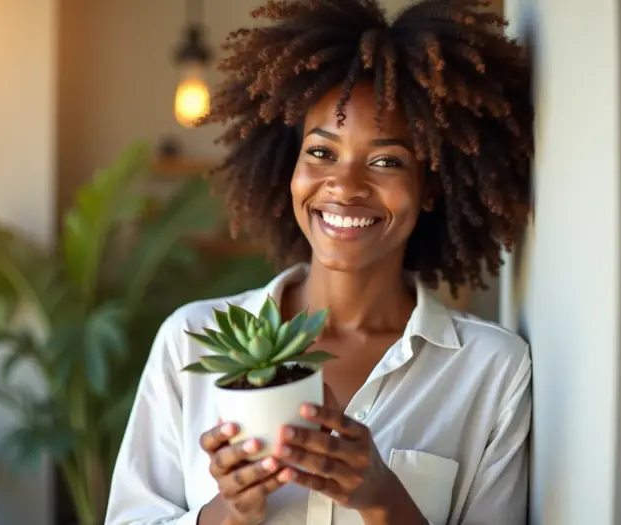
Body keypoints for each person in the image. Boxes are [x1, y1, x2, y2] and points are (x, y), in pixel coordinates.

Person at [105, 0, 534, 524]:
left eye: (386, 161)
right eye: (322, 152)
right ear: (290, 168)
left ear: (430, 189)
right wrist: (226, 514)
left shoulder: (492, 370)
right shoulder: (191, 340)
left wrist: (385, 501)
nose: (345, 186)